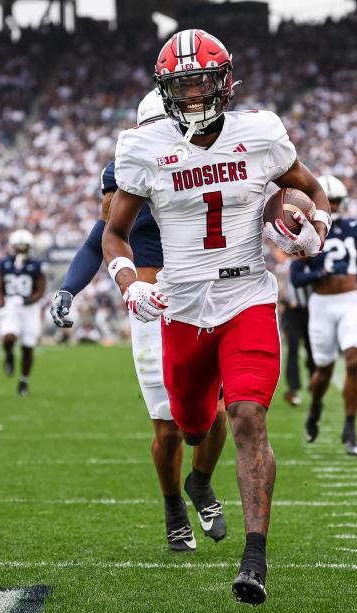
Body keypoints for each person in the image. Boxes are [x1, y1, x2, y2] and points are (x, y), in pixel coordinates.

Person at [101, 29, 331, 606]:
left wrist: (315, 229)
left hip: (247, 295)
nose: (195, 92)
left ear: (224, 81)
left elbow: (312, 188)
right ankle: (196, 481)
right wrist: (129, 285)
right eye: (183, 84)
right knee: (192, 426)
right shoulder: (143, 147)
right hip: (181, 305)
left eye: (203, 80)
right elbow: (113, 233)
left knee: (249, 415)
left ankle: (255, 559)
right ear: (166, 89)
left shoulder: (260, 133)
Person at [50, 90, 230, 553]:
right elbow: (101, 238)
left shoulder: (208, 160)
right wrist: (70, 287)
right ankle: (173, 507)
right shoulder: (126, 173)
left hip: (209, 301)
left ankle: (201, 482)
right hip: (152, 304)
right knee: (168, 428)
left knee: (219, 414)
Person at [290, 174, 357, 456]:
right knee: (323, 370)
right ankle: (315, 408)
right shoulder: (302, 229)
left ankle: (350, 426)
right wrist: (319, 272)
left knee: (354, 361)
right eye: (329, 201)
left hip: (349, 301)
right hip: (322, 304)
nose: (332, 206)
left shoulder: (352, 227)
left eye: (335, 201)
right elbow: (296, 278)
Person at [0, 229, 47, 397]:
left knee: (27, 347)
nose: (20, 249)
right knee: (8, 337)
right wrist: (1, 302)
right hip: (11, 305)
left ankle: (23, 380)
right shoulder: (5, 264)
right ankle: (9, 355)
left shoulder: (36, 265)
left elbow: (41, 289)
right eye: (17, 246)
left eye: (23, 246)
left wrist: (29, 300)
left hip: (29, 309)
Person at [276, 251, 314, 407]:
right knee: (292, 348)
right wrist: (282, 301)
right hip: (292, 312)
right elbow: (280, 286)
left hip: (311, 311)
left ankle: (314, 379)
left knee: (312, 349)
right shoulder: (285, 265)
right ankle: (292, 388)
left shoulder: (313, 263)